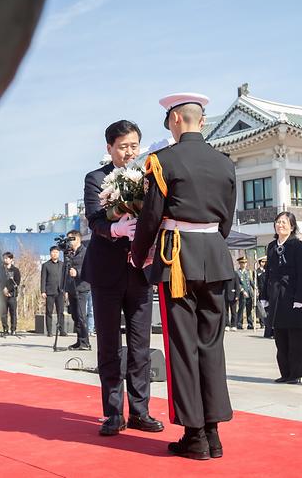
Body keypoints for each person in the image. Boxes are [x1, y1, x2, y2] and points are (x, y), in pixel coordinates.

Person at [132, 92, 235, 460]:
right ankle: (214, 432)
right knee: (212, 346)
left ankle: (195, 436)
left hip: (176, 257)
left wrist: (137, 254)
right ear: (201, 121)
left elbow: (150, 218)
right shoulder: (225, 163)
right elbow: (227, 220)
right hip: (215, 257)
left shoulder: (162, 161)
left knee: (183, 347)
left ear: (175, 120)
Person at [81, 119, 163, 437]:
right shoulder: (95, 178)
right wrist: (115, 229)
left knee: (141, 345)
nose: (129, 152)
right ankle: (113, 413)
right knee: (110, 346)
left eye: (133, 146)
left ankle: (140, 411)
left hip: (140, 272)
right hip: (106, 273)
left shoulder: (148, 179)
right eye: (122, 147)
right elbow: (94, 217)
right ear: (109, 149)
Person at [264, 212, 302, 384]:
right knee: (280, 336)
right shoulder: (271, 246)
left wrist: (299, 297)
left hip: (291, 293)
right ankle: (285, 372)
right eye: (278, 222)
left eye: (284, 222)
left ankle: (296, 373)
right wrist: (264, 295)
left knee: (294, 336)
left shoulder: (297, 245)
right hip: (276, 294)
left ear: (292, 226)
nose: (280, 225)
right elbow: (268, 272)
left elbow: (301, 274)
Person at [65, 230, 91, 350]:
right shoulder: (69, 253)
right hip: (71, 288)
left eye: (71, 239)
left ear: (77, 239)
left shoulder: (86, 252)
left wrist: (78, 272)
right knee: (75, 316)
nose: (69, 242)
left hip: (82, 288)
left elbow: (90, 268)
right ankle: (79, 340)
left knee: (81, 316)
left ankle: (85, 342)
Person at [40, 246, 66, 337]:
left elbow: (65, 278)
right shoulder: (46, 265)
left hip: (60, 291)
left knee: (61, 312)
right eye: (53, 252)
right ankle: (49, 331)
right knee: (49, 312)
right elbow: (43, 279)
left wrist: (65, 291)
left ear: (59, 254)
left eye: (56, 252)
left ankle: (62, 330)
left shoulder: (63, 265)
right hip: (50, 292)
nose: (54, 254)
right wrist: (43, 291)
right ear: (50, 253)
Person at [1, 252, 21, 336]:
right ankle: (5, 329)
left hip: (12, 295)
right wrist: (3, 289)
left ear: (11, 259)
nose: (5, 260)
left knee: (13, 313)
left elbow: (17, 282)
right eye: (4, 258)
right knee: (3, 313)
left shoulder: (15, 270)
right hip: (2, 295)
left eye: (7, 258)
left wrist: (8, 290)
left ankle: (13, 329)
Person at [234, 256, 254, 330]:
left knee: (249, 309)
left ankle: (250, 324)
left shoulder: (248, 272)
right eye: (243, 262)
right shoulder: (237, 272)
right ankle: (239, 323)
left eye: (245, 262)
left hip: (249, 292)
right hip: (242, 293)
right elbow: (238, 284)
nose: (244, 264)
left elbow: (251, 281)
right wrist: (242, 290)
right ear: (239, 263)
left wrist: (255, 287)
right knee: (241, 308)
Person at [256, 256, 269, 334]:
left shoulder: (267, 272)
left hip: (267, 292)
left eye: (265, 262)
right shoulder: (257, 271)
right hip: (261, 292)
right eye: (262, 262)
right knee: (261, 308)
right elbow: (257, 282)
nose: (263, 263)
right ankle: (262, 323)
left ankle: (265, 322)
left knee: (266, 309)